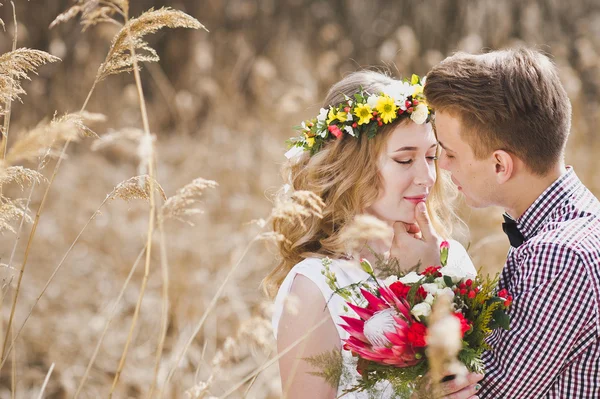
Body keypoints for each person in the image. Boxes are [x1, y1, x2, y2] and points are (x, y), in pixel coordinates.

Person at [264, 70, 483, 399]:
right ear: (352, 170)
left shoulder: (450, 257)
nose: (426, 177)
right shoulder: (316, 288)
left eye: (431, 157)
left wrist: (432, 275)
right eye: (405, 159)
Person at [397, 47, 600, 398]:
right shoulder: (573, 224)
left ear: (500, 166)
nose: (441, 166)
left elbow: (484, 393)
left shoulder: (560, 256)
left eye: (450, 153)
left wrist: (428, 273)